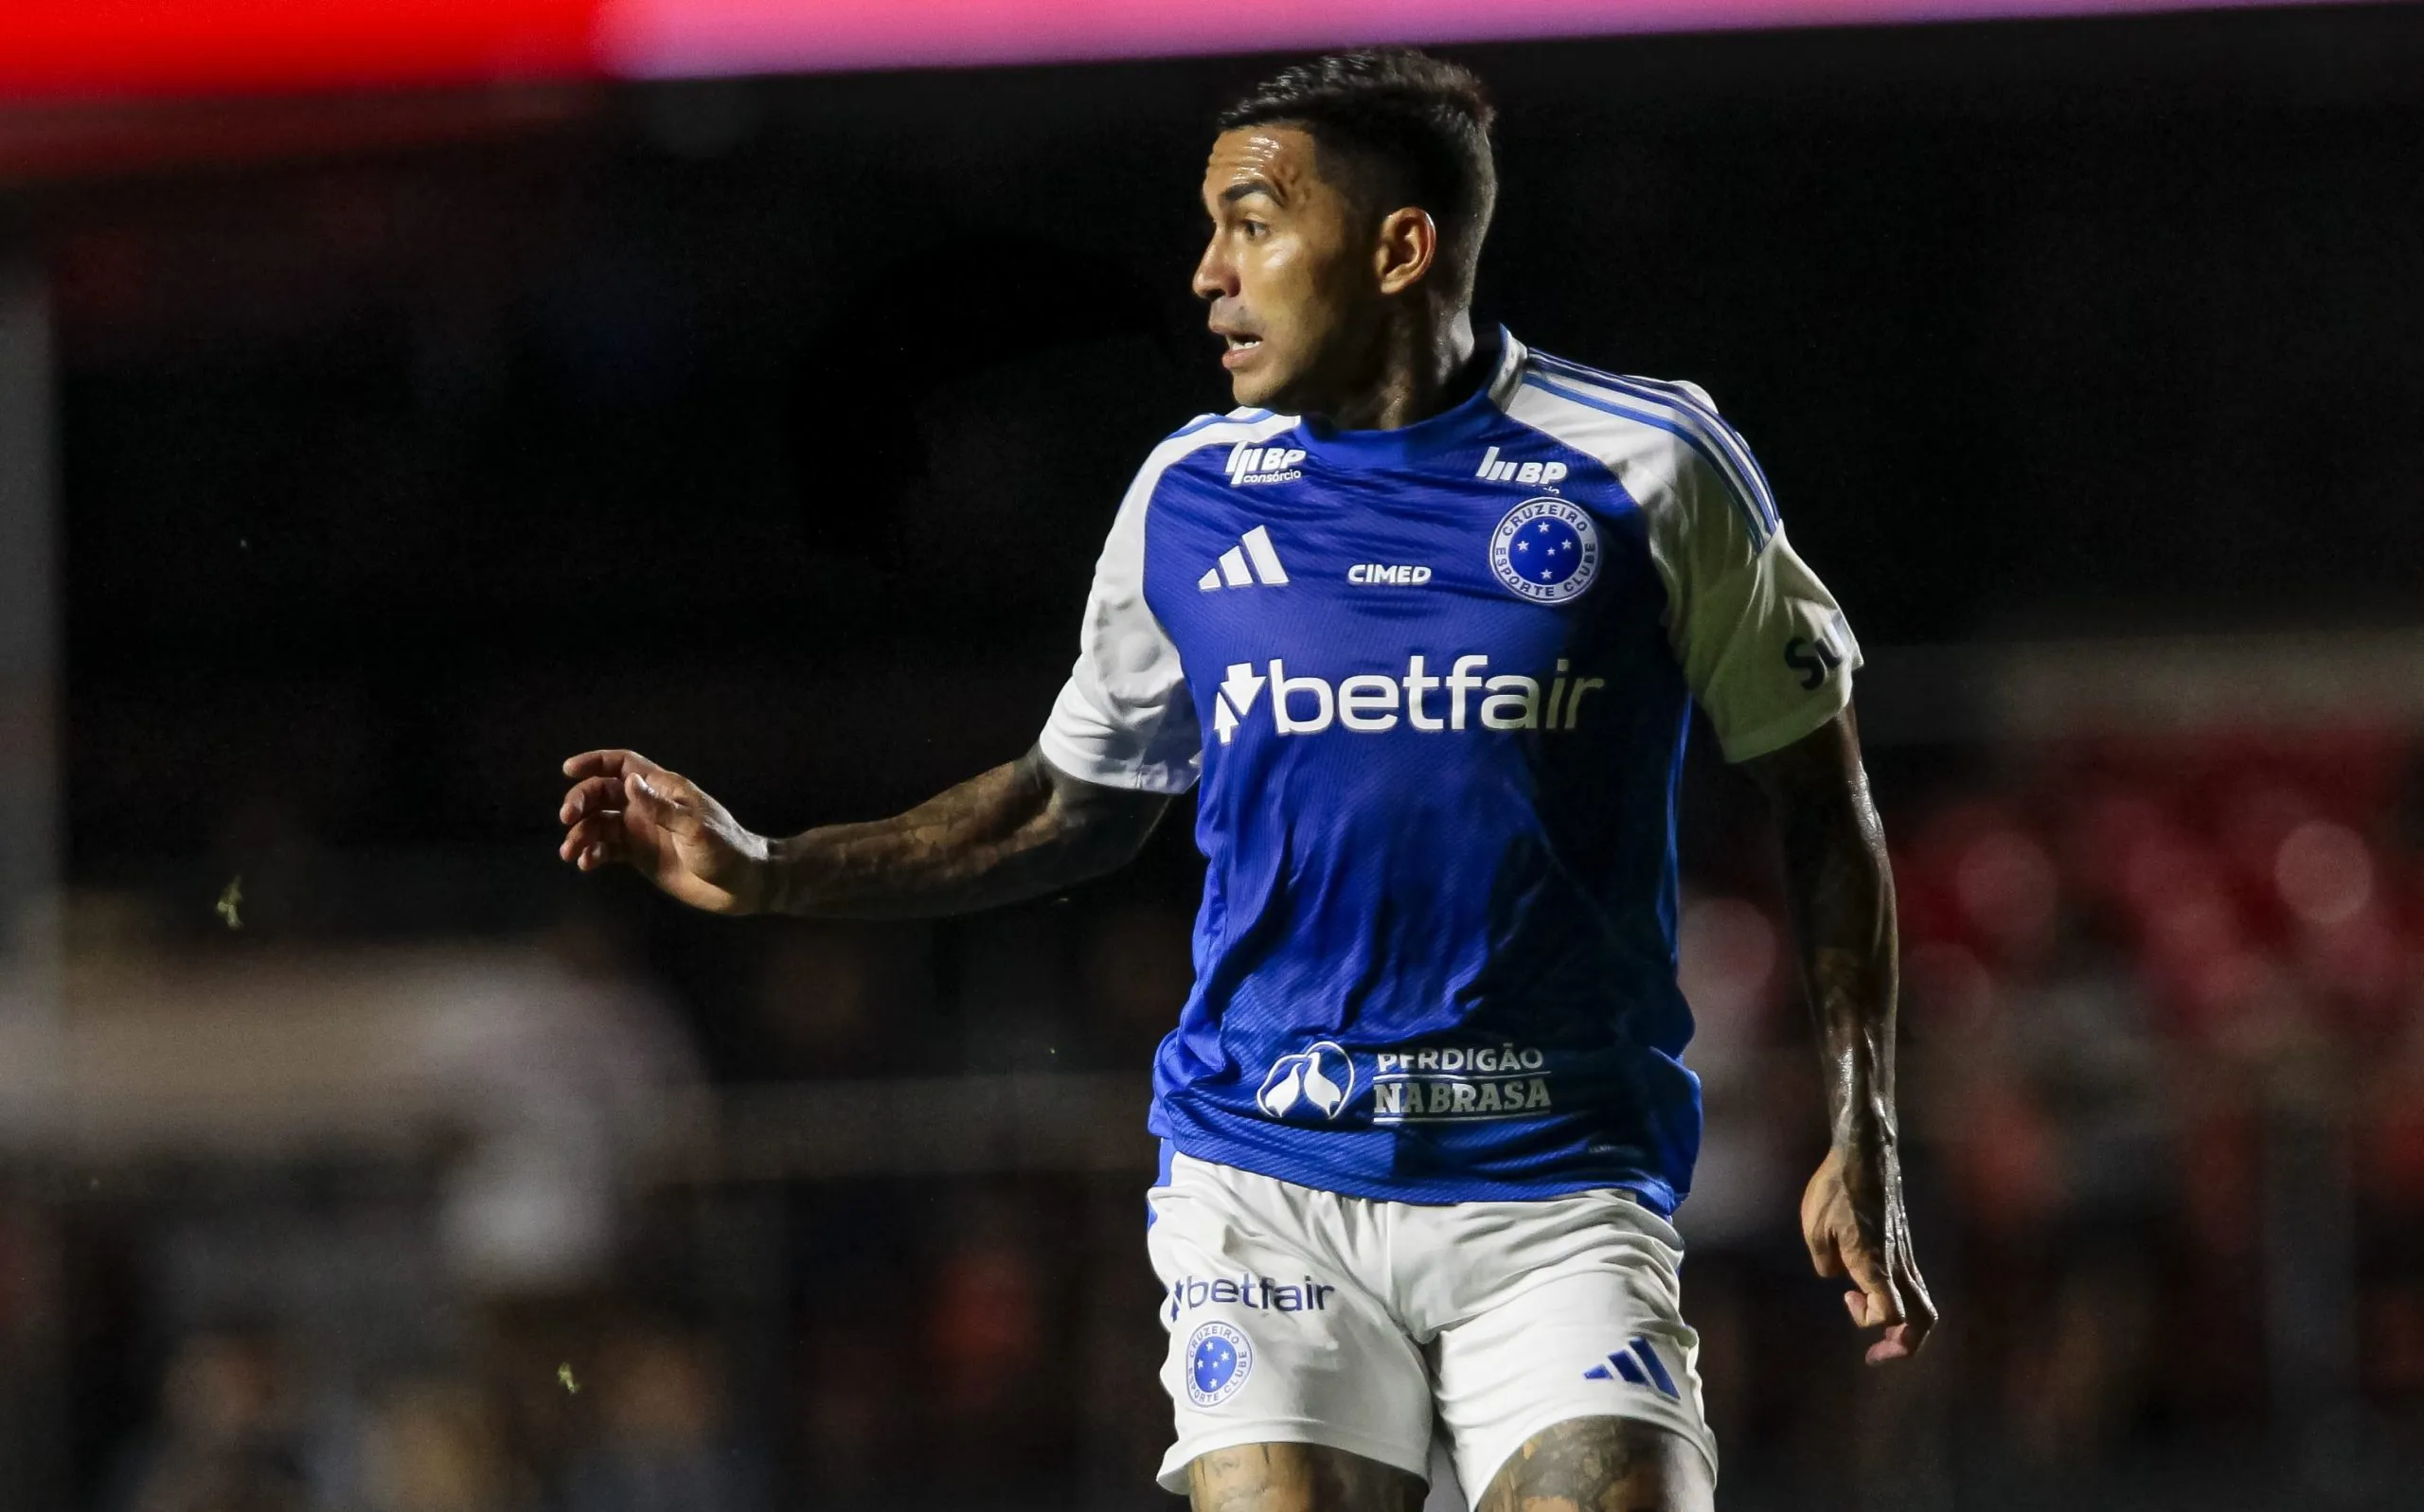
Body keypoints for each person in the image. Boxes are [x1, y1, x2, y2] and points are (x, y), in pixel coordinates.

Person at [557, 48, 1934, 1512]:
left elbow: (1821, 797)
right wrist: (770, 868)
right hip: (1268, 1182)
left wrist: (1867, 1125)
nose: (1210, 272)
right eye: (1210, 227)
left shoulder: (1649, 467)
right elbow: (1064, 802)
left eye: (1255, 222)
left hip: (1557, 1188)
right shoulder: (1191, 496)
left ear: (1402, 246)